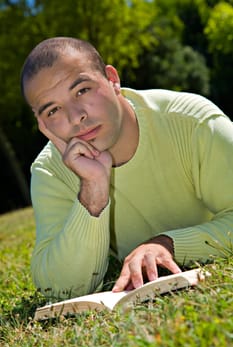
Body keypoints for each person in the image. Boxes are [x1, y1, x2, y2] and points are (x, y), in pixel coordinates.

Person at [21, 37, 233, 299]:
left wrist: (169, 244)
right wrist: (92, 191)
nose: (76, 117)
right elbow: (57, 287)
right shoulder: (50, 170)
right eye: (53, 110)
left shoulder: (193, 121)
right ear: (41, 123)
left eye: (82, 90)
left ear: (112, 79)